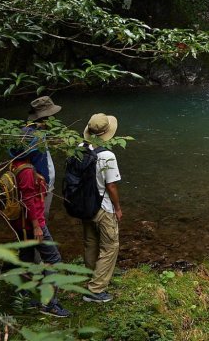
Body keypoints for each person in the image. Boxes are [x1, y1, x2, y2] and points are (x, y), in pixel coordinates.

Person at [8, 138, 71, 318]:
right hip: (32, 224)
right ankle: (49, 303)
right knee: (54, 259)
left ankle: (24, 297)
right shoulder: (27, 171)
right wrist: (37, 226)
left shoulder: (15, 164)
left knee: (26, 257)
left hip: (20, 223)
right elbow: (29, 200)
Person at [81, 113, 122, 303]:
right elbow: (111, 186)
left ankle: (92, 278)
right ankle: (96, 290)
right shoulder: (107, 156)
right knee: (110, 246)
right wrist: (118, 208)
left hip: (84, 204)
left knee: (91, 242)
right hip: (103, 207)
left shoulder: (79, 148)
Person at [23, 96, 61, 219]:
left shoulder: (37, 132)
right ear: (45, 117)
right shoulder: (33, 136)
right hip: (40, 189)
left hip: (44, 187)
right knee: (40, 221)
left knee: (42, 219)